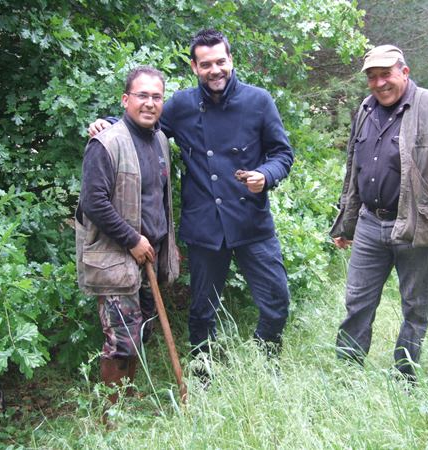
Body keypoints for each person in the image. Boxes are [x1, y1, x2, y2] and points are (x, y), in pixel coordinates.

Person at [88, 29, 294, 361]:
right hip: (206, 226)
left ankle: (265, 358)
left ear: (231, 60)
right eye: (206, 64)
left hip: (251, 222)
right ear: (195, 68)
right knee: (202, 310)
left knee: (277, 300)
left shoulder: (259, 101)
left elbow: (283, 154)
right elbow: (145, 122)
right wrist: (107, 123)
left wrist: (265, 176)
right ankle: (202, 370)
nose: (215, 70)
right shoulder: (182, 105)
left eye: (221, 62)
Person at [330, 45, 428, 382]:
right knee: (357, 303)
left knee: (414, 306)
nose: (379, 83)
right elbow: (355, 168)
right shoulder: (366, 108)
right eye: (372, 77)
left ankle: (404, 377)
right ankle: (347, 376)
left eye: (386, 75)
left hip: (415, 223)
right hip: (369, 222)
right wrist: (346, 221)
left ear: (404, 72)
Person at [75, 66, 179, 412]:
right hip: (117, 259)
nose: (149, 103)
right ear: (125, 99)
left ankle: (127, 400)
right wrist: (132, 239)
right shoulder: (106, 142)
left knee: (140, 334)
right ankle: (111, 418)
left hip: (150, 259)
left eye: (156, 96)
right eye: (142, 95)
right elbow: (94, 202)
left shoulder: (161, 140)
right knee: (121, 342)